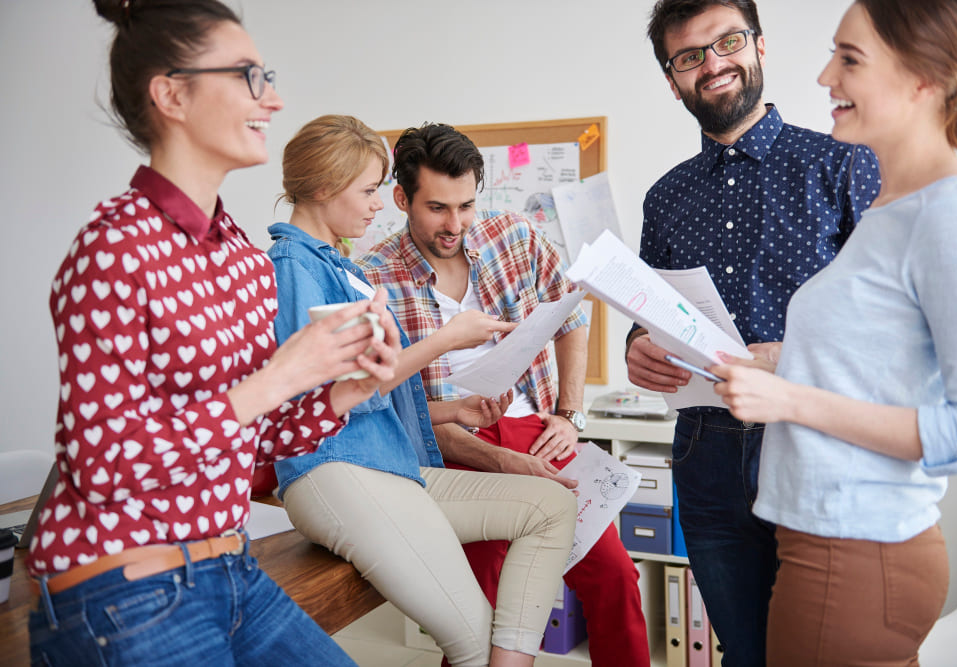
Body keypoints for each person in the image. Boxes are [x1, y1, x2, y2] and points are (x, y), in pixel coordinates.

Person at [28, 2, 402, 665]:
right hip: (124, 588)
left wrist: (343, 389)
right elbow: (102, 464)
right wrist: (281, 376)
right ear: (172, 95)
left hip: (230, 568)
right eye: (248, 77)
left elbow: (256, 438)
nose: (273, 99)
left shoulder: (242, 261)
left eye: (268, 77)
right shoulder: (113, 249)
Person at [710, 0, 957, 664]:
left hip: (855, 556)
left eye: (850, 59)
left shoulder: (948, 220)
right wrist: (783, 362)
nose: (824, 77)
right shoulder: (890, 210)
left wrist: (791, 400)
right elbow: (884, 359)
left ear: (923, 78)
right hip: (832, 547)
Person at [267, 114, 578, 667]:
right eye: (368, 190)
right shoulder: (293, 266)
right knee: (471, 639)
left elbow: (377, 394)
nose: (376, 205)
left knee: (551, 506)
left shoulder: (336, 265)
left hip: (388, 465)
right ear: (323, 188)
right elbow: (340, 397)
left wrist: (454, 409)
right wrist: (446, 339)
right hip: (339, 470)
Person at [625, 1, 881, 664]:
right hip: (704, 451)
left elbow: (893, 324)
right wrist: (637, 349)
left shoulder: (845, 163)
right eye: (690, 56)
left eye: (728, 42)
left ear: (759, 46)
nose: (713, 65)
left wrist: (790, 357)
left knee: (825, 653)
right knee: (744, 653)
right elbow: (649, 312)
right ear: (673, 80)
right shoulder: (664, 197)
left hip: (815, 438)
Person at [358, 123, 650, 667]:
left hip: (534, 432)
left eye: (466, 206)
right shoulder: (373, 278)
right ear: (401, 199)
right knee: (481, 608)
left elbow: (572, 317)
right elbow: (397, 409)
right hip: (450, 448)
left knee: (615, 575)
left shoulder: (514, 235)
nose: (455, 225)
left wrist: (568, 414)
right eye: (437, 208)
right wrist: (497, 461)